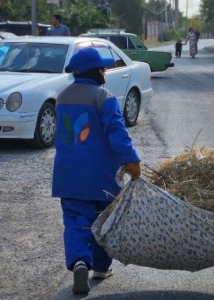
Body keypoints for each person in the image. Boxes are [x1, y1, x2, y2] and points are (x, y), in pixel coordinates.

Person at [52, 47, 142, 295]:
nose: (105, 71)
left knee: (75, 222)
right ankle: (101, 268)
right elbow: (117, 132)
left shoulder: (62, 97)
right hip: (102, 178)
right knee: (104, 224)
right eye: (102, 68)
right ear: (94, 72)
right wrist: (131, 160)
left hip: (68, 177)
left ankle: (80, 261)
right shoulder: (105, 97)